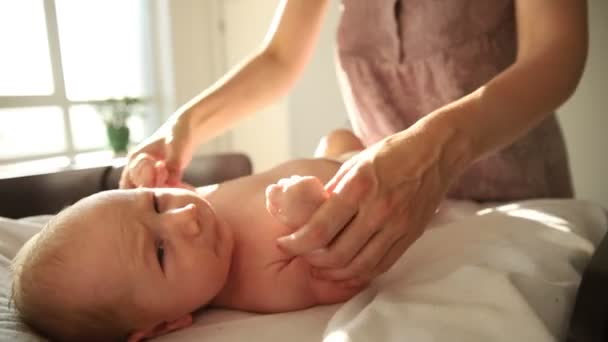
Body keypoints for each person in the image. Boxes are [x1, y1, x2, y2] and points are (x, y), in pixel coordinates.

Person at [120, 0, 588, 286]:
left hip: (514, 200)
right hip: (386, 213)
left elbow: (556, 53)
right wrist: (184, 125)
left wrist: (436, 148)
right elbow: (280, 57)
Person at [10, 130, 366, 342]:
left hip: (338, 157)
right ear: (166, 323)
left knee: (337, 138)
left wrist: (163, 179)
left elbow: (189, 195)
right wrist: (310, 208)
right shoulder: (261, 282)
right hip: (368, 182)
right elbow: (344, 275)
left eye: (155, 204)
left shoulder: (199, 215)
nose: (184, 216)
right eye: (161, 252)